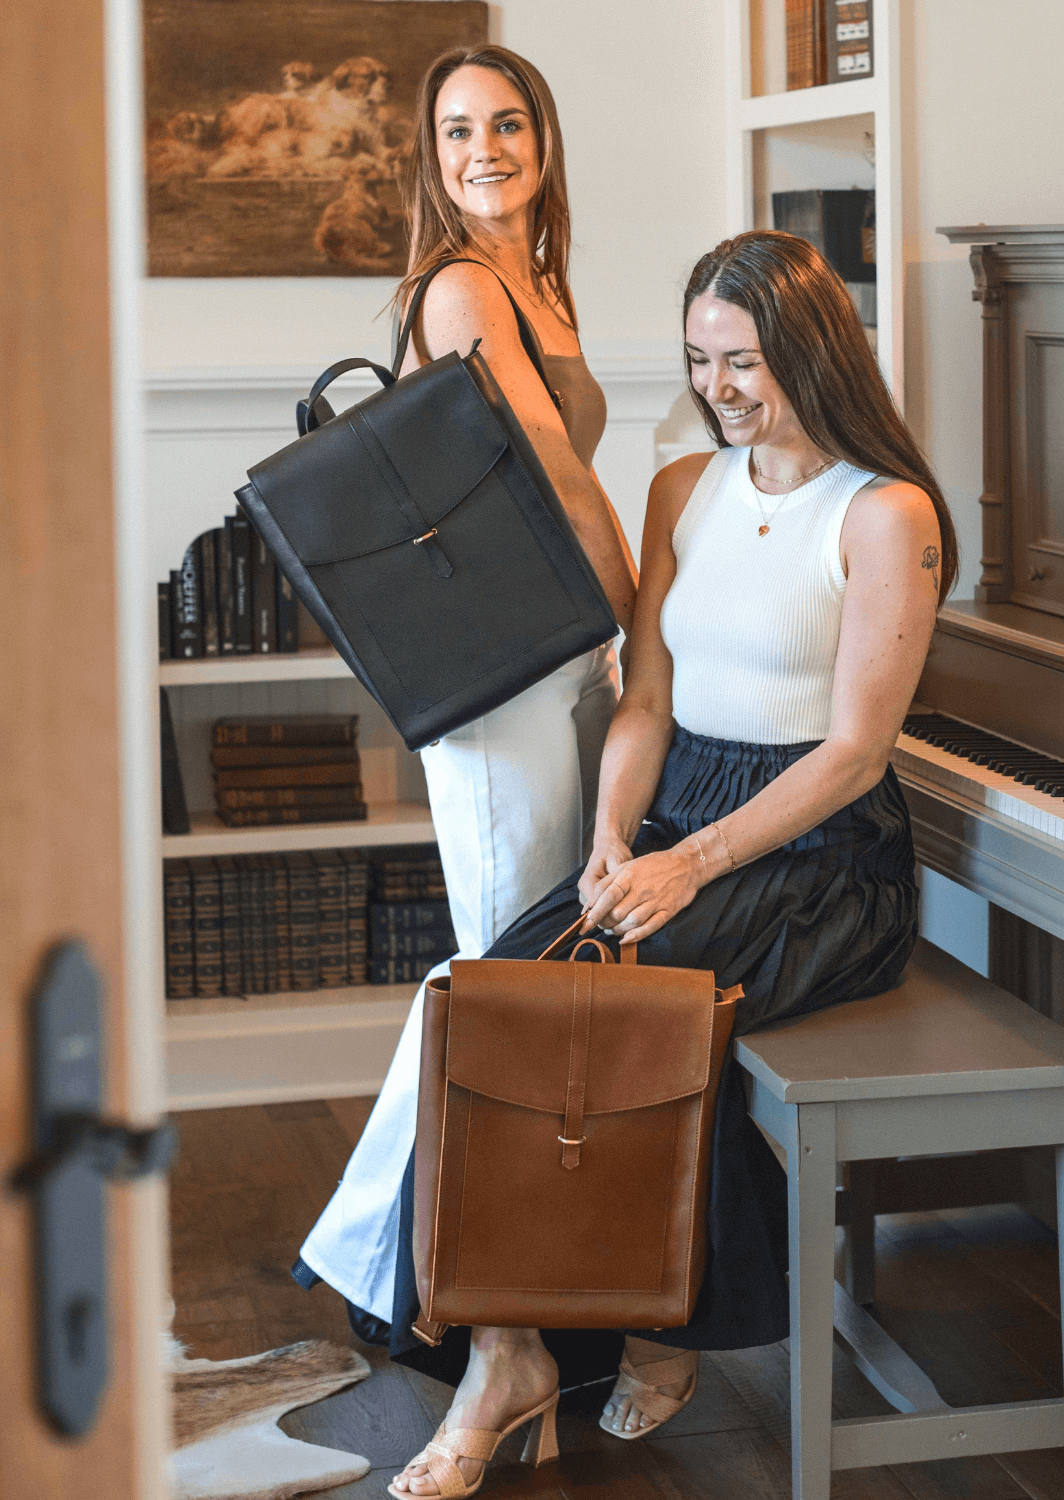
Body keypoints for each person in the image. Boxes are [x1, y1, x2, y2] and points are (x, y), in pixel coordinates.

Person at [384, 228, 959, 1498]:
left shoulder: (884, 512)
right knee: (493, 989)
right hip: (682, 810)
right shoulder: (681, 488)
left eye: (744, 361)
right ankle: (515, 1343)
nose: (720, 388)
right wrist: (609, 837)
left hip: (821, 857)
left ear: (814, 349)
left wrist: (684, 866)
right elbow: (647, 698)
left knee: (595, 1004)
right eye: (701, 361)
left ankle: (629, 1325)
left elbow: (859, 752)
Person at [292, 44, 638, 1344]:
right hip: (505, 672)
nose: (482, 148)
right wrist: (643, 620)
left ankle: (477, 1277)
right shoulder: (462, 293)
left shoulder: (537, 284)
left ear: (542, 139)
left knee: (531, 958)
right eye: (455, 133)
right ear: (430, 161)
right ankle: (413, 1276)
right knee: (503, 965)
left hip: (556, 648)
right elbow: (550, 472)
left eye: (505, 123)